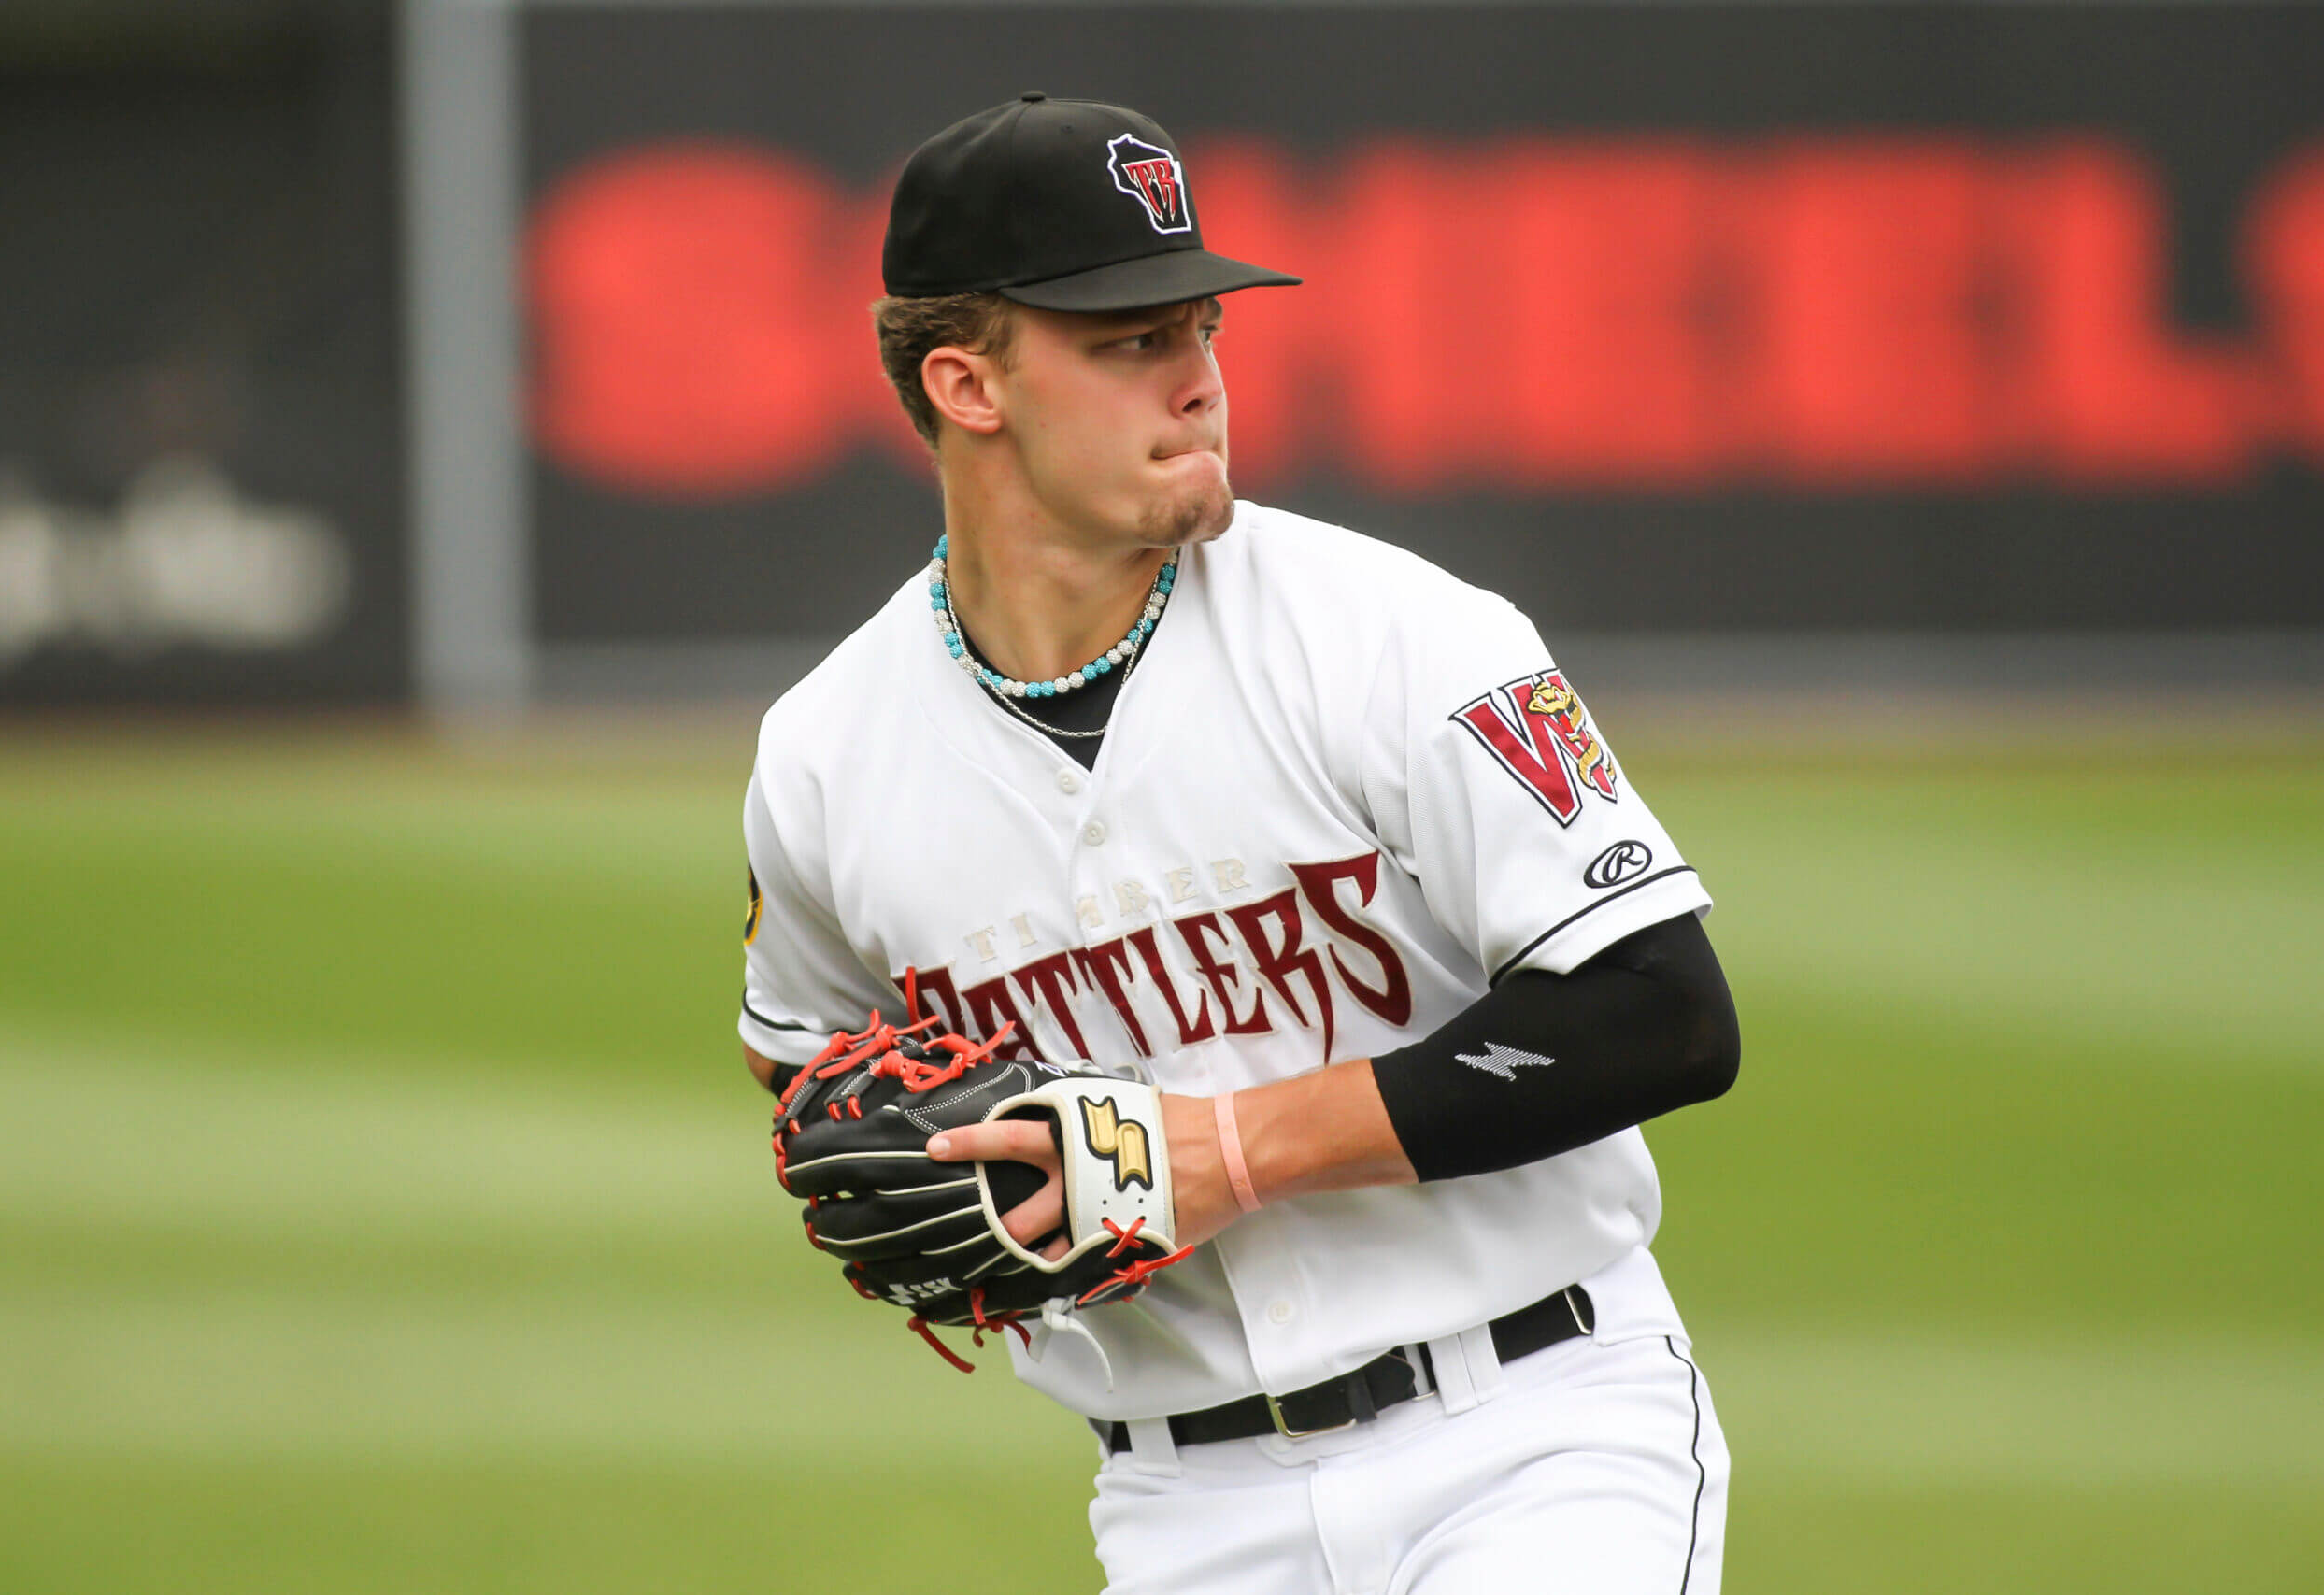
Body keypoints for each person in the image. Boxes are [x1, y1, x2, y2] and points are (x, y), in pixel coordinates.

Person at [740, 92, 1739, 1595]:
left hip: (1538, 1437)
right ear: (967, 382)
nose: (1199, 382)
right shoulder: (826, 758)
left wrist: (1221, 1151)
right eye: (1129, 340)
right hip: (1184, 1508)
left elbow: (1661, 1017)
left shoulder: (1400, 637)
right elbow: (808, 1068)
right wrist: (899, 1162)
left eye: (1200, 328)